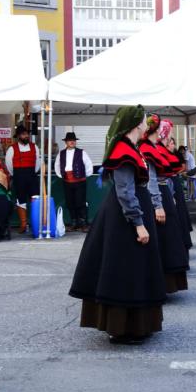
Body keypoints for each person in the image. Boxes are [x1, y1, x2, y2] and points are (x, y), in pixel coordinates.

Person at [69, 105, 166, 345]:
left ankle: (135, 324)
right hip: (124, 219)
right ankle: (123, 328)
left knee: (133, 270)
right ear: (136, 125)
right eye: (144, 120)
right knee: (125, 271)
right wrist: (138, 224)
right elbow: (124, 191)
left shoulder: (131, 148)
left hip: (128, 214)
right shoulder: (123, 151)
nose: (147, 124)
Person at [139, 114, 189, 293]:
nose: (166, 136)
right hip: (157, 196)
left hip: (163, 193)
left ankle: (165, 284)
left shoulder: (154, 147)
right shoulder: (148, 148)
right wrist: (157, 204)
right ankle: (159, 284)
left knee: (167, 241)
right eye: (164, 131)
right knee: (163, 240)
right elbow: (151, 179)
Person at [157, 121, 193, 250]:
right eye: (170, 142)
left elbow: (183, 166)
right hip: (166, 182)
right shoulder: (158, 151)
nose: (171, 145)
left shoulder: (175, 154)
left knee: (180, 209)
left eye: (173, 143)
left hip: (173, 181)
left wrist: (175, 173)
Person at [54, 132, 94, 232]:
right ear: (66, 142)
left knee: (80, 202)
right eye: (70, 140)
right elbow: (57, 165)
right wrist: (61, 175)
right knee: (70, 202)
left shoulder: (82, 152)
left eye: (73, 140)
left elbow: (89, 166)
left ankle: (84, 224)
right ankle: (74, 223)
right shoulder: (61, 153)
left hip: (80, 181)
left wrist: (83, 176)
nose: (72, 142)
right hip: (67, 181)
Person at [5, 125, 40, 233]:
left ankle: (36, 223)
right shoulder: (12, 148)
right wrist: (16, 174)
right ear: (18, 136)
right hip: (19, 177)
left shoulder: (35, 147)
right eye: (23, 134)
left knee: (35, 199)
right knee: (21, 200)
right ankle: (24, 224)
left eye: (26, 134)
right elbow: (8, 164)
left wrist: (33, 172)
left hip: (32, 176)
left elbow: (38, 162)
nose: (26, 136)